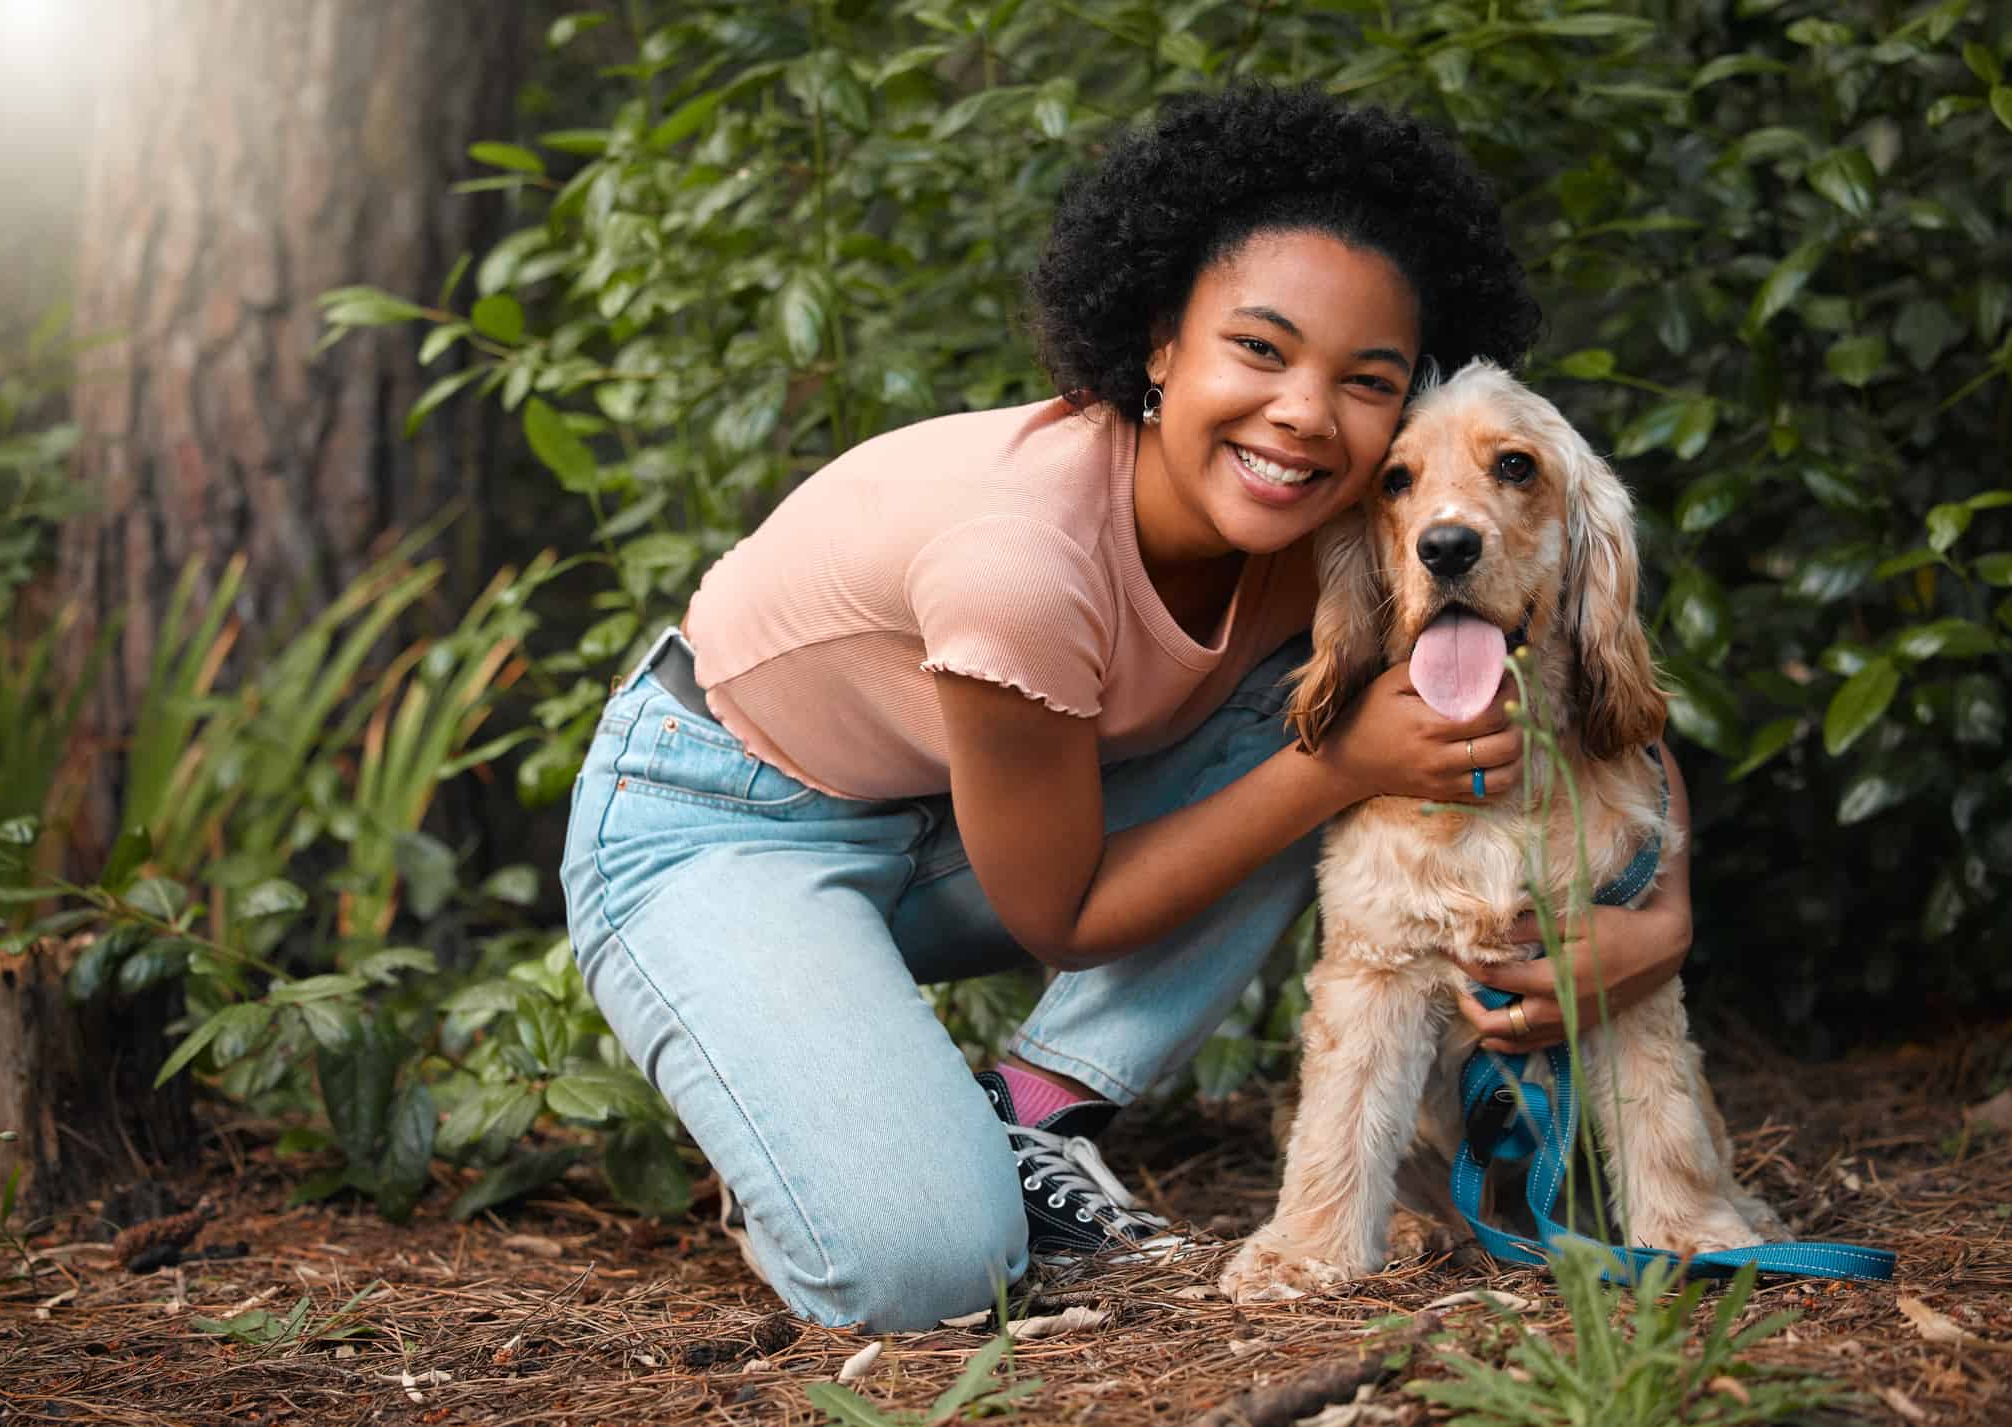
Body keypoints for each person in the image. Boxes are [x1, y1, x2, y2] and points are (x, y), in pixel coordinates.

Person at [559, 83, 1696, 1331]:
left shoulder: (1350, 515)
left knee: (1355, 698)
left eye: (1363, 380)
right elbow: (1067, 913)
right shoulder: (1020, 562)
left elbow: (1575, 662)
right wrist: (1332, 768)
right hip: (718, 814)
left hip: (968, 812)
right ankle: (805, 1120)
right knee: (924, 1266)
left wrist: (1658, 917)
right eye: (1257, 349)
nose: (1303, 415)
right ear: (1159, 340)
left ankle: (1035, 1114)